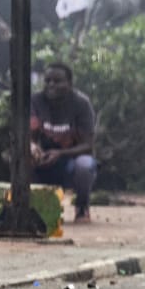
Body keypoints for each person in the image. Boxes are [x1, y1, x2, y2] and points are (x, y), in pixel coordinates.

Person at [30, 62, 99, 222]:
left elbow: (88, 144)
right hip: (42, 161)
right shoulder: (35, 101)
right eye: (47, 81)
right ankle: (32, 208)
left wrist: (60, 153)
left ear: (69, 83)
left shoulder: (81, 104)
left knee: (85, 165)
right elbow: (28, 134)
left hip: (70, 162)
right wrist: (33, 148)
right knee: (23, 157)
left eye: (57, 81)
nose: (51, 85)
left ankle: (82, 206)